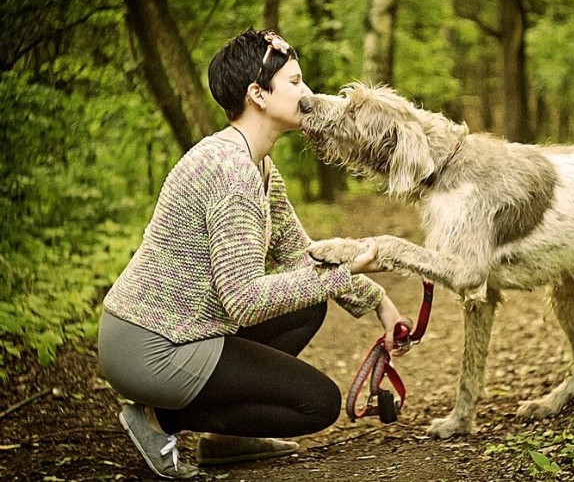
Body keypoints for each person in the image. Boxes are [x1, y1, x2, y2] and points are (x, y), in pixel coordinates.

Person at [98, 29, 411, 479]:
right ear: (257, 95)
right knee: (315, 405)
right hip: (151, 346)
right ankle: (157, 420)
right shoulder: (231, 172)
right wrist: (347, 271)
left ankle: (225, 440)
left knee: (308, 307)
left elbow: (304, 258)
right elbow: (243, 300)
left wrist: (380, 302)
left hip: (181, 330)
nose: (308, 94)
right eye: (295, 82)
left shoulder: (259, 164)